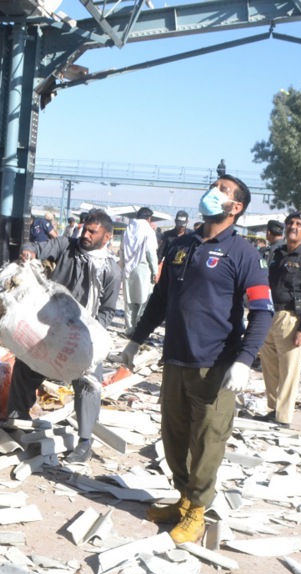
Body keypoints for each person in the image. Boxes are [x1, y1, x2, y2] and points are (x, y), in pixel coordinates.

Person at [121, 175, 273, 544]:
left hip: (215, 365)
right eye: (213, 186)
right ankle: (184, 498)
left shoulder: (244, 254)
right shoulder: (181, 245)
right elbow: (160, 300)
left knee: (207, 442)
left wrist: (245, 359)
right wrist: (136, 341)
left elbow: (262, 311)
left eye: (223, 190)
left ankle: (198, 512)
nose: (212, 193)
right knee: (174, 437)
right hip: (176, 360)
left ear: (236, 207)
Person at [11, 209, 121, 454]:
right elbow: (36, 247)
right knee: (25, 367)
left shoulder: (111, 270)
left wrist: (91, 335)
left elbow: (107, 310)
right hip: (50, 326)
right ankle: (16, 424)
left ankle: (84, 443)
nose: (85, 235)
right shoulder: (66, 246)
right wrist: (29, 251)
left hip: (84, 335)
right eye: (84, 229)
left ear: (107, 237)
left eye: (92, 232)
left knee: (89, 383)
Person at [259, 211, 301, 426]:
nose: (293, 227)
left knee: (289, 371)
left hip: (291, 319)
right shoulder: (276, 253)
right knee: (270, 368)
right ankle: (273, 408)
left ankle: (283, 417)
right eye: (290, 223)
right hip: (270, 315)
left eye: (299, 224)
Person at [121, 207, 158, 336]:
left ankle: (129, 330)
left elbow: (121, 250)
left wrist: (123, 267)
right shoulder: (148, 231)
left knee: (129, 301)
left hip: (128, 268)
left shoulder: (128, 229)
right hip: (143, 269)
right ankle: (139, 330)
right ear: (149, 218)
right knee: (144, 300)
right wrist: (155, 271)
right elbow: (151, 253)